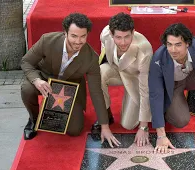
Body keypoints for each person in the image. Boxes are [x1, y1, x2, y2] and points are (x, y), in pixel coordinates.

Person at [21, 13, 120, 148]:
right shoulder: (47, 40)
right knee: (27, 88)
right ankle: (33, 119)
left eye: (82, 36)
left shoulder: (91, 58)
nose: (78, 41)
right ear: (65, 33)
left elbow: (96, 92)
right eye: (74, 36)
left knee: (74, 131)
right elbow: (26, 62)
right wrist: (36, 80)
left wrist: (105, 126)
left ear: (87, 35)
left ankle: (69, 110)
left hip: (70, 87)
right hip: (45, 77)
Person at [149, 23, 195, 153]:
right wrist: (161, 135)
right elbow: (156, 94)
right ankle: (170, 108)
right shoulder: (158, 59)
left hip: (190, 76)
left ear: (187, 44)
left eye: (178, 44)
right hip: (172, 86)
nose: (173, 49)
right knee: (180, 121)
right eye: (169, 44)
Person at [91, 12, 153, 147]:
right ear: (111, 34)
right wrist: (104, 125)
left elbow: (145, 88)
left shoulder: (144, 49)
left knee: (128, 125)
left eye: (127, 37)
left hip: (134, 79)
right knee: (99, 73)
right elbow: (104, 58)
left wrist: (144, 127)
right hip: (116, 70)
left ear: (133, 32)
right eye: (118, 37)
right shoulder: (105, 34)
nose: (123, 42)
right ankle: (105, 114)